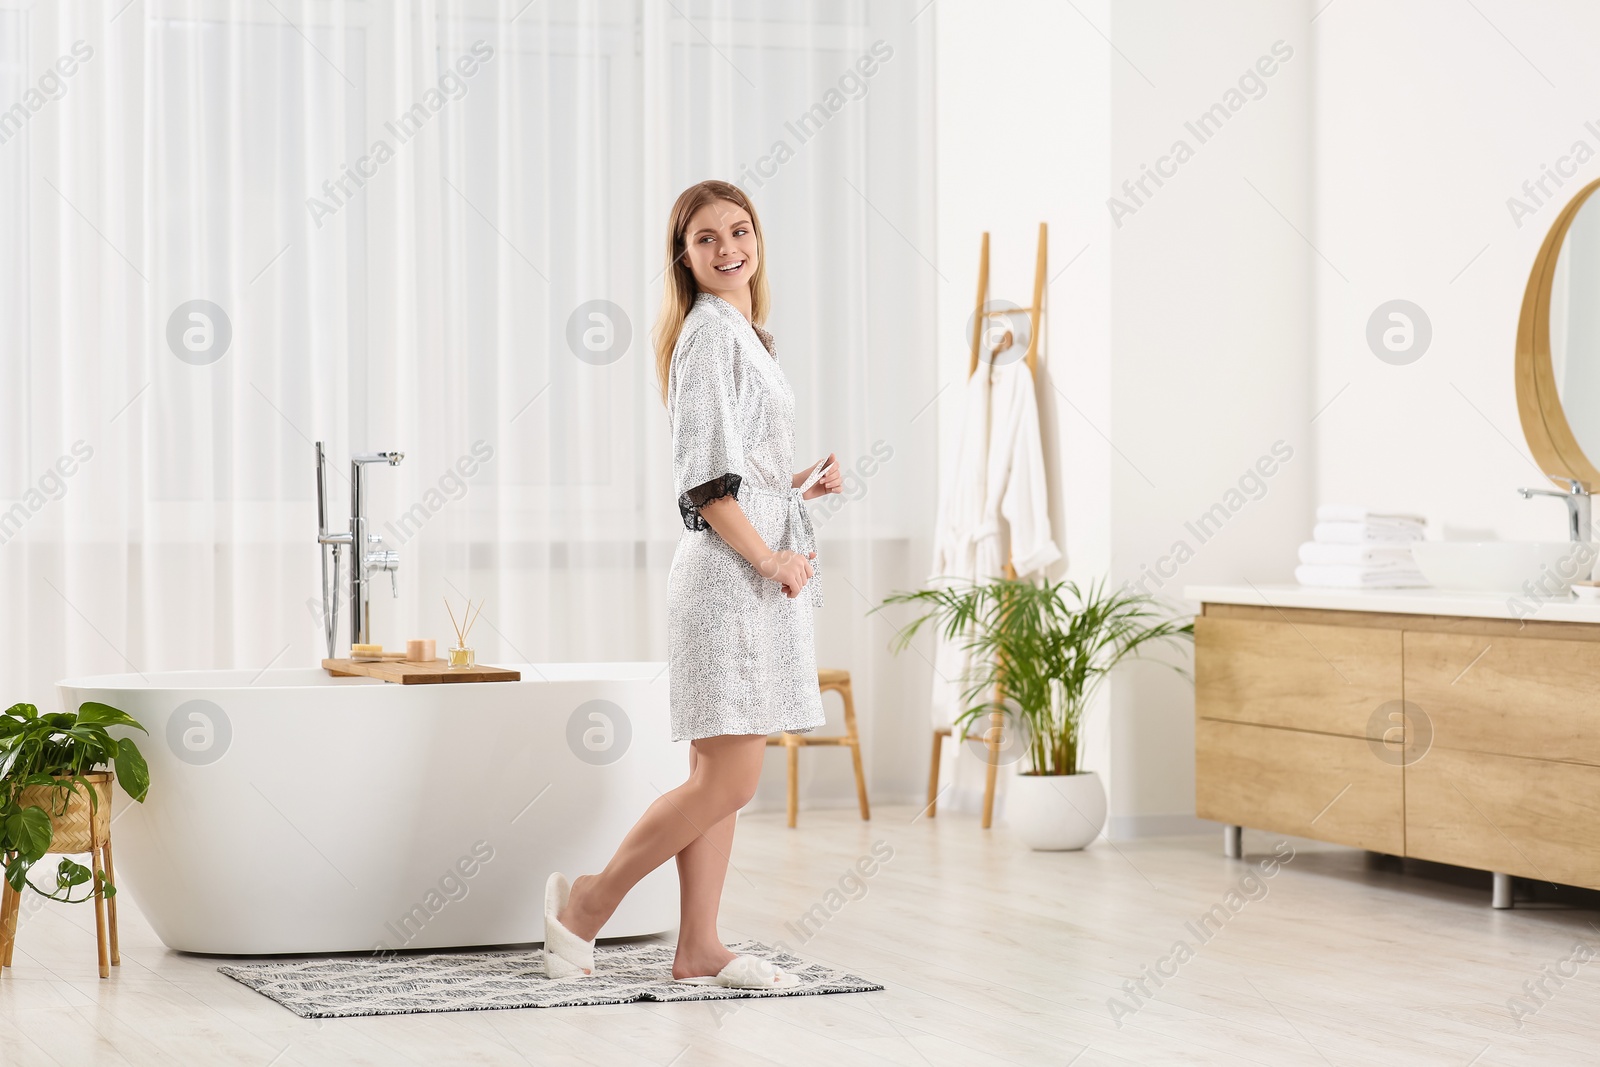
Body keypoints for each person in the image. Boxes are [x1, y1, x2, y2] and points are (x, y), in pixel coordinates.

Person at [542, 179, 843, 989]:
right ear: (684, 255)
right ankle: (587, 907)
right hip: (729, 584)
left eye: (739, 231)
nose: (728, 249)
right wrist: (773, 558)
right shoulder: (709, 336)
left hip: (748, 577)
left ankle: (699, 946)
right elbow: (707, 487)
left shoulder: (747, 333)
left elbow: (744, 476)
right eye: (706, 238)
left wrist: (798, 487)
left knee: (721, 784)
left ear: (757, 238)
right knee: (730, 778)